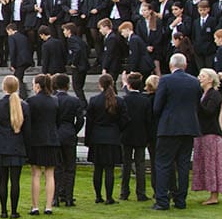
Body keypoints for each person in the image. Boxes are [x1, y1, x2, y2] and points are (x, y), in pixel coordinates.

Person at [152, 53, 203, 211]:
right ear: (185, 65)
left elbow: (157, 106)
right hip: (188, 127)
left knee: (163, 164)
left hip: (169, 127)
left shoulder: (166, 80)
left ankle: (162, 200)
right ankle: (181, 200)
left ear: (170, 65)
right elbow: (197, 104)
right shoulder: (195, 82)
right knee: (183, 165)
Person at [85, 74, 129, 205]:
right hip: (112, 137)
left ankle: (98, 196)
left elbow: (90, 122)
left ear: (100, 85)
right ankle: (109, 197)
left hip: (97, 137)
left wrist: (89, 139)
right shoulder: (119, 101)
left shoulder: (94, 100)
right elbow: (125, 119)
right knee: (109, 169)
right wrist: (117, 130)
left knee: (97, 168)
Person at [0, 75, 29, 219]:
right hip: (17, 146)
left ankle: (3, 211)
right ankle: (13, 211)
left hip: (1, 145)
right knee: (15, 180)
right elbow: (27, 130)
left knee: (3, 180)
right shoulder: (23, 105)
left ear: (4, 87)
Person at [24, 73, 61, 215]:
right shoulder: (55, 101)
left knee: (36, 174)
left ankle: (35, 206)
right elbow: (57, 121)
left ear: (38, 86)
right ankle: (48, 206)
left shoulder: (31, 101)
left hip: (36, 140)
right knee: (50, 174)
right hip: (51, 139)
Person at [194, 68, 222, 205]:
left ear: (210, 79)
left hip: (211, 133)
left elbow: (209, 112)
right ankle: (210, 192)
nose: (199, 78)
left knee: (212, 164)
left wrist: (196, 103)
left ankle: (214, 195)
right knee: (204, 163)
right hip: (201, 132)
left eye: (203, 76)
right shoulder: (203, 94)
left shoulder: (215, 95)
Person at [53, 74, 85, 207]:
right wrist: (73, 130)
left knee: (57, 167)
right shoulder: (74, 101)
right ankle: (68, 197)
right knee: (70, 167)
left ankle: (55, 196)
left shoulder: (53, 100)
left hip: (56, 134)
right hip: (69, 133)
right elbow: (81, 120)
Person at [119, 73, 152, 202]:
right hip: (141, 135)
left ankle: (124, 192)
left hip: (126, 135)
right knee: (140, 164)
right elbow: (148, 120)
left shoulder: (124, 100)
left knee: (126, 164)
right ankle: (141, 192)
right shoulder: (145, 100)